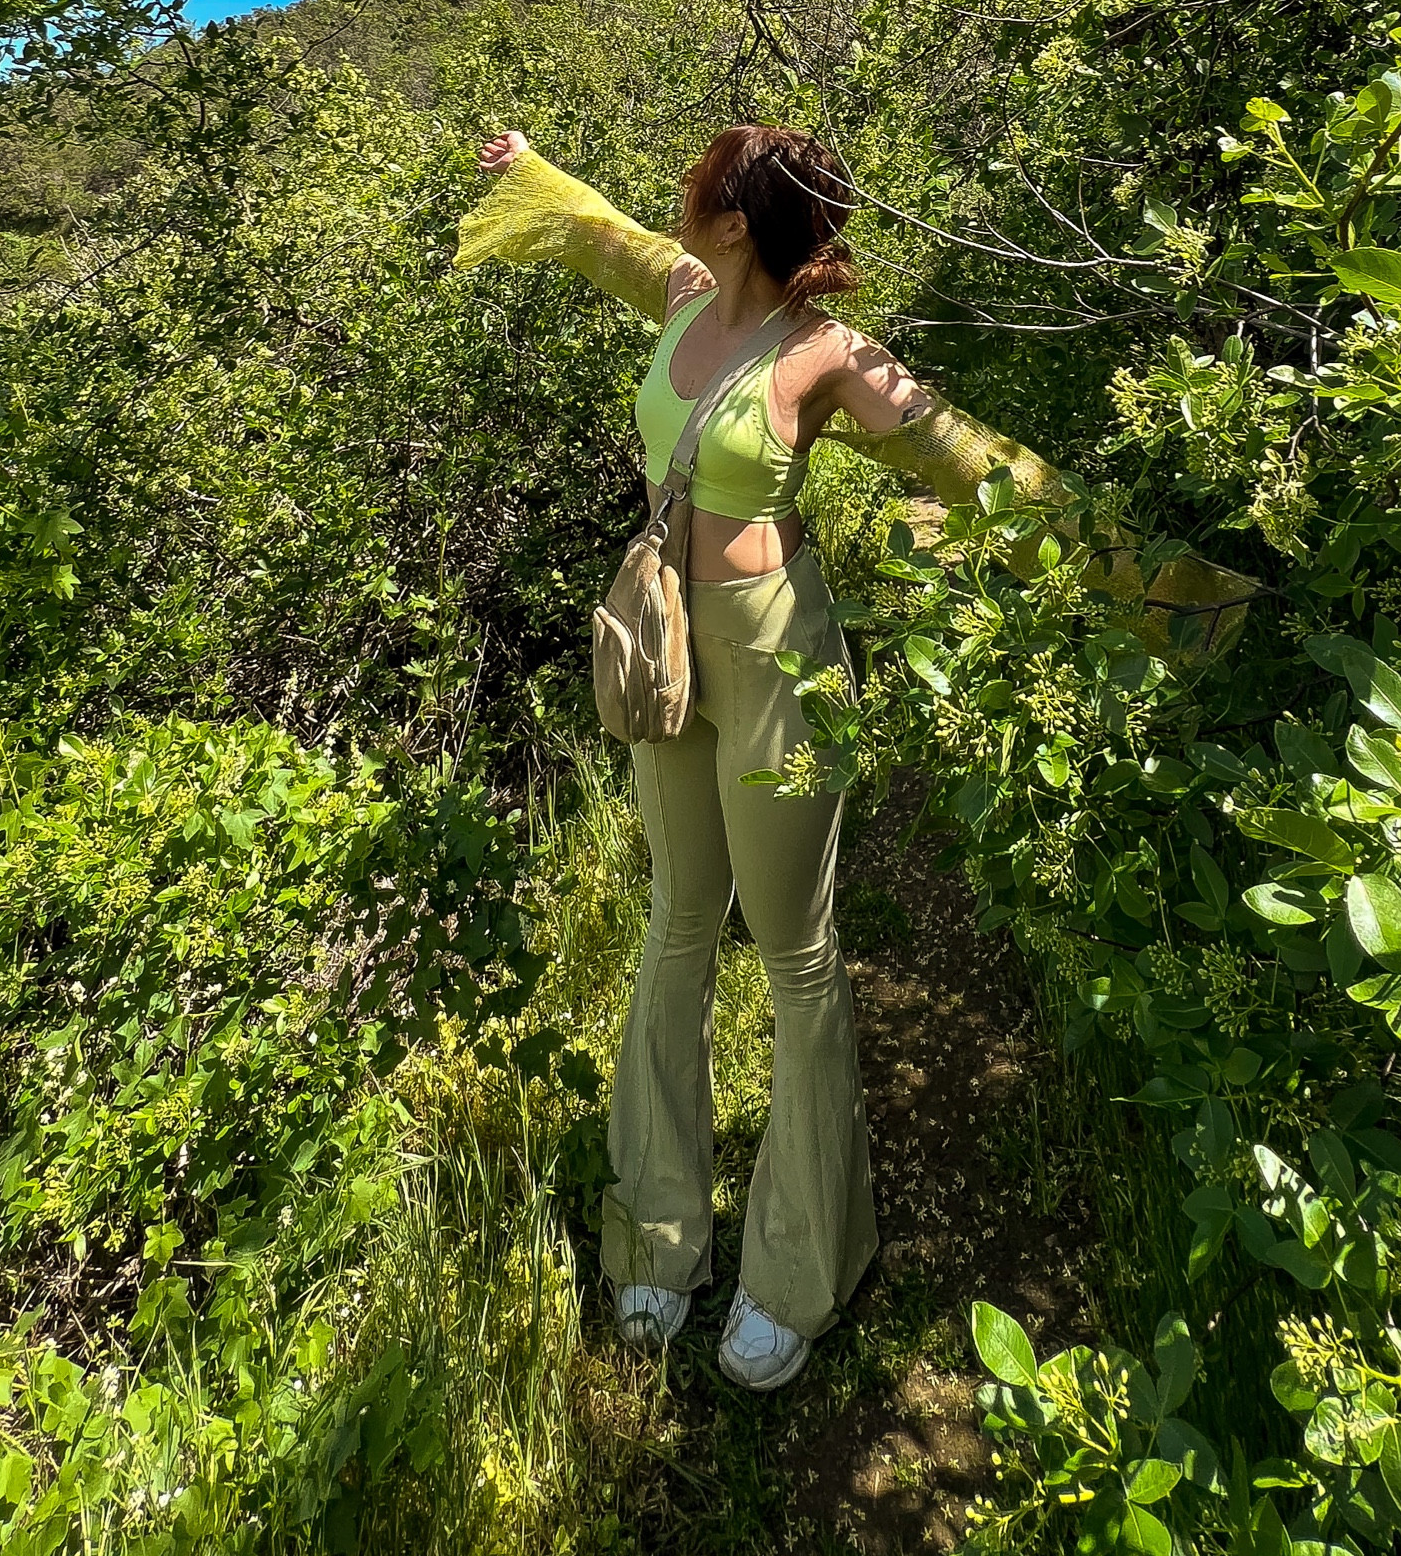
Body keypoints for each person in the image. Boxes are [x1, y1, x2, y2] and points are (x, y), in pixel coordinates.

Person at [452, 125, 1243, 1390]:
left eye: (699, 185)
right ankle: (657, 1231)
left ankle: (797, 1266)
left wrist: (1164, 588)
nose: (679, 194)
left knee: (796, 956)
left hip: (777, 656)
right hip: (667, 646)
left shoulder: (825, 355)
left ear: (735, 224)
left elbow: (972, 463)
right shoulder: (681, 287)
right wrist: (527, 166)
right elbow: (595, 231)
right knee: (677, 926)